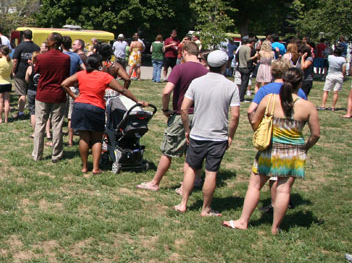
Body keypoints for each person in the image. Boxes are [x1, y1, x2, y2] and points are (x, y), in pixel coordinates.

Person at [224, 69, 320, 234]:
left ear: (283, 80)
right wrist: (305, 148)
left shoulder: (270, 100)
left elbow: (255, 119)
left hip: (270, 148)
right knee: (284, 189)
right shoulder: (308, 106)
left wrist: (259, 132)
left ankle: (243, 221)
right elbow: (315, 134)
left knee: (255, 186)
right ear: (300, 84)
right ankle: (275, 228)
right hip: (294, 151)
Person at [174, 51, 240, 216]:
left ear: (208, 64)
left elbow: (183, 108)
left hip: (197, 134)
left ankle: (183, 203)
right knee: (211, 172)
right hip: (218, 137)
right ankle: (206, 209)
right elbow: (235, 115)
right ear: (224, 65)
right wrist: (230, 135)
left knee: (191, 168)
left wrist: (188, 129)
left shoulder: (197, 83)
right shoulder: (231, 86)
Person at [137, 41, 207, 192]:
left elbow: (166, 92)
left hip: (182, 115)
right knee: (193, 151)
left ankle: (155, 182)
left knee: (168, 151)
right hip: (200, 116)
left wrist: (165, 108)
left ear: (185, 53)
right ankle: (193, 181)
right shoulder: (205, 71)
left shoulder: (180, 68)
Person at [62, 54, 147, 174]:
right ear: (99, 65)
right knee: (97, 139)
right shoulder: (104, 76)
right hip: (96, 107)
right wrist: (136, 101)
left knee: (84, 138)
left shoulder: (81, 74)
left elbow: (64, 84)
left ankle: (85, 167)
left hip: (80, 106)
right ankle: (96, 168)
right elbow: (122, 89)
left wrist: (75, 96)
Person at [32, 33, 71, 162]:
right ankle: (56, 155)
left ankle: (37, 154)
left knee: (40, 124)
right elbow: (66, 75)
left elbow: (37, 71)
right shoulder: (65, 58)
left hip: (43, 94)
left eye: (48, 40)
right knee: (57, 125)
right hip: (58, 94)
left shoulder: (41, 58)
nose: (47, 41)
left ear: (53, 42)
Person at [13, 30, 40, 117]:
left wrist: (13, 70)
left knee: (22, 93)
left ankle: (21, 112)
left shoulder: (20, 46)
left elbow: (15, 60)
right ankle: (36, 111)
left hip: (20, 72)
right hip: (33, 73)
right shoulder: (36, 47)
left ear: (23, 36)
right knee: (33, 92)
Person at [0, 46, 13, 123]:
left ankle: (0, 118)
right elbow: (11, 72)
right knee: (7, 101)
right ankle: (6, 119)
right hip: (8, 82)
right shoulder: (11, 61)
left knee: (0, 102)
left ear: (1, 52)